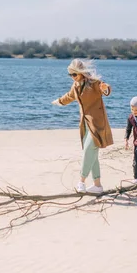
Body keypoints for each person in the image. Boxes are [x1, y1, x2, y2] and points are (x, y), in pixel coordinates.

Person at [52, 59, 114, 194]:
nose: (72, 78)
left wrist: (106, 89)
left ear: (81, 73)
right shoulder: (75, 86)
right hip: (85, 124)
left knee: (88, 151)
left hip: (97, 124)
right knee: (92, 154)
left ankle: (81, 181)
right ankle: (97, 185)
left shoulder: (94, 84)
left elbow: (105, 89)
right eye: (70, 75)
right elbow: (69, 96)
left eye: (74, 75)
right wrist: (59, 102)